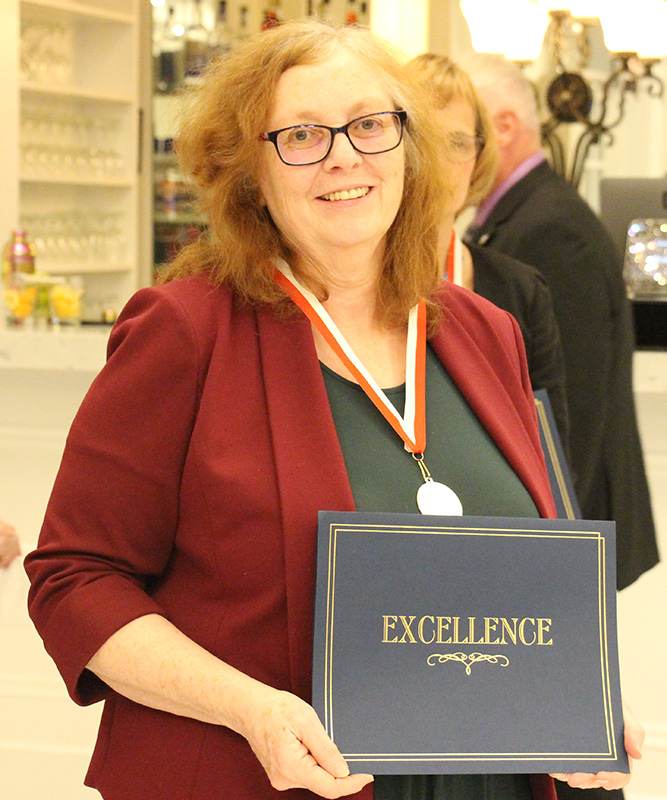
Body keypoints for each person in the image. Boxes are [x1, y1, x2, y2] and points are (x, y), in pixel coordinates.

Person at [24, 20, 641, 800]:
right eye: (302, 134)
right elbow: (75, 578)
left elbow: (529, 575)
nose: (344, 154)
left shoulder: (485, 332)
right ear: (250, 171)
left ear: (408, 148)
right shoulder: (185, 333)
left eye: (369, 124)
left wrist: (570, 704)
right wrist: (249, 710)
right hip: (258, 782)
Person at [463, 53, 658, 593]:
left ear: (502, 128)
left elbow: (571, 411)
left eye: (458, 135)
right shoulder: (526, 215)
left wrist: (552, 546)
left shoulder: (550, 229)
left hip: (569, 531)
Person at [405, 53, 570, 449]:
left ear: (479, 158)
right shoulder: (348, 285)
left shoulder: (521, 290)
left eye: (458, 143)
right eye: (423, 138)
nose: (439, 162)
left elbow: (549, 452)